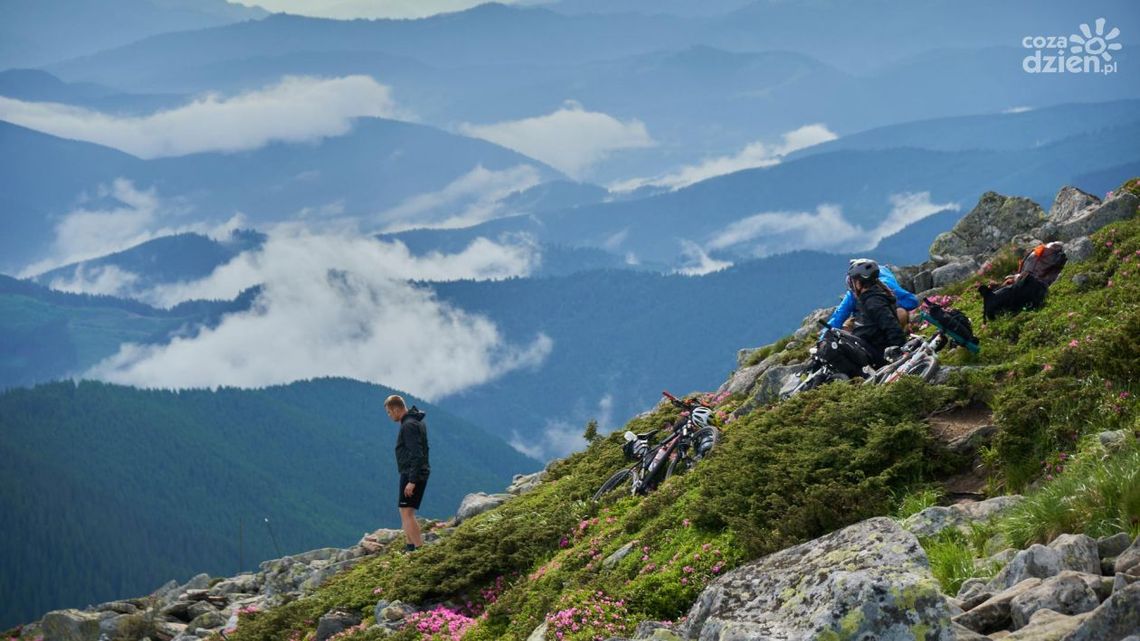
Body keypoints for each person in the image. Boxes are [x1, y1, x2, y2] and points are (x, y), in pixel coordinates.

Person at [825, 259, 919, 334]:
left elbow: (912, 301)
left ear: (858, 284)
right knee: (846, 326)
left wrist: (889, 306)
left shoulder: (887, 285)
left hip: (887, 319)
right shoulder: (852, 294)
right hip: (868, 320)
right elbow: (838, 316)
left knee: (900, 313)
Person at [386, 394, 430, 553]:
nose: (389, 416)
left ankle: (419, 551)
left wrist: (412, 480)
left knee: (407, 512)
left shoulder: (408, 425)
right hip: (413, 471)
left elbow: (417, 454)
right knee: (404, 510)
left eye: (389, 412)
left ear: (396, 409)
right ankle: (410, 546)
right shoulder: (414, 421)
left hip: (412, 473)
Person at [978, 241, 1067, 320]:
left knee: (1013, 293)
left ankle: (996, 301)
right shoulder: (1042, 253)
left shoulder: (1038, 253)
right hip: (1031, 287)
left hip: (1026, 287)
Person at [845, 259, 907, 366]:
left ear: (859, 283)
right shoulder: (871, 298)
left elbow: (892, 328)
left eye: (852, 281)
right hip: (872, 348)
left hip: (877, 354)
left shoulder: (873, 302)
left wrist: (897, 352)